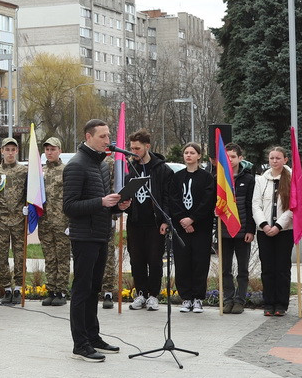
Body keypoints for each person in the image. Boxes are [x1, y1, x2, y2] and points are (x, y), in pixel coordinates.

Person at [62, 120, 122, 361]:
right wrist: (101, 202)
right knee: (82, 289)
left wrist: (118, 206)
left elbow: (103, 203)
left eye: (109, 136)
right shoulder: (76, 165)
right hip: (83, 236)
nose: (108, 141)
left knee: (94, 288)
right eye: (103, 137)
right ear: (88, 137)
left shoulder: (102, 165)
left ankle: (93, 336)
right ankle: (80, 344)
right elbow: (70, 206)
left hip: (100, 234)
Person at [124, 130, 171, 312]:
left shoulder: (161, 169)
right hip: (135, 221)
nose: (134, 151)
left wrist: (165, 220)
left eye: (137, 148)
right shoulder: (130, 167)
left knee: (155, 260)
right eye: (132, 148)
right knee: (137, 260)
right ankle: (141, 293)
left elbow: (167, 197)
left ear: (147, 147)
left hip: (155, 223)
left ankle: (153, 295)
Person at [169, 143, 214, 313]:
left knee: (200, 262)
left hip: (200, 228)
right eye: (186, 152)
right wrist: (182, 220)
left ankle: (198, 298)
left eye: (192, 153)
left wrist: (193, 219)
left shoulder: (206, 177)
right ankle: (186, 298)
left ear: (199, 156)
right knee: (183, 262)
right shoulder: (177, 177)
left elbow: (207, 201)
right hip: (181, 228)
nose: (188, 155)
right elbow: (173, 199)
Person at [252, 146, 295, 316]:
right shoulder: (261, 180)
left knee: (282, 268)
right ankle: (268, 303)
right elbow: (256, 204)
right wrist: (264, 224)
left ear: (285, 160)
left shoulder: (291, 179)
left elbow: (292, 207)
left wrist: (278, 226)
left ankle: (281, 304)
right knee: (267, 268)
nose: (274, 161)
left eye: (278, 158)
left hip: (284, 231)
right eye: (271, 158)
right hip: (264, 231)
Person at [217, 143, 257, 314]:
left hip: (242, 232)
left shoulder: (248, 179)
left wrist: (250, 230)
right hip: (224, 231)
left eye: (233, 157)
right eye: (227, 157)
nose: (230, 160)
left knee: (242, 269)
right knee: (225, 268)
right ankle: (227, 299)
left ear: (240, 158)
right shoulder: (219, 178)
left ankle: (240, 300)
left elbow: (251, 206)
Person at [0, 137, 27, 298]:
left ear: (17, 151)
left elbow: (30, 194)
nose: (10, 153)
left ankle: (18, 286)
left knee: (20, 256)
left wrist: (28, 209)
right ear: (2, 151)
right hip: (1, 220)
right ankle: (6, 287)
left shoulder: (24, 172)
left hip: (19, 219)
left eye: (13, 150)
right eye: (7, 149)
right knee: (1, 256)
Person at [39, 137, 71, 306]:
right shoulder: (40, 171)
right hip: (44, 222)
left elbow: (71, 197)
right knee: (49, 257)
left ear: (59, 150)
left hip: (62, 221)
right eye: (47, 150)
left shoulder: (66, 171)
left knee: (62, 257)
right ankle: (51, 290)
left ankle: (62, 291)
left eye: (53, 149)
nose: (49, 153)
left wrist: (70, 223)